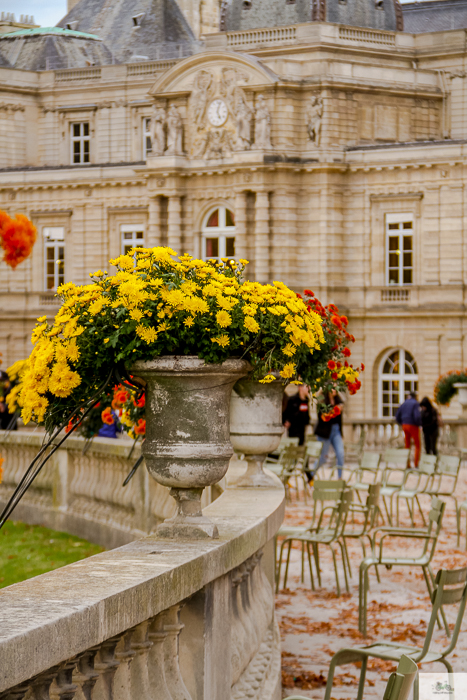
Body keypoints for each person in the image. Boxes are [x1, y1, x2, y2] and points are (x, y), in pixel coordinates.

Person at [313, 390, 345, 479]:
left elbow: (344, 400)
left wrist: (341, 433)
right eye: (333, 387)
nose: (335, 389)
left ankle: (339, 477)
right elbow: (323, 417)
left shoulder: (338, 400)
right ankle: (311, 475)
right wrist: (335, 410)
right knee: (323, 458)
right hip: (324, 432)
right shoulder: (322, 400)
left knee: (340, 454)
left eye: (336, 387)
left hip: (336, 430)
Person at [395, 391, 421, 467]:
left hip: (404, 425)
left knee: (407, 445)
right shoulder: (415, 403)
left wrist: (402, 422)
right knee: (417, 444)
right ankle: (416, 463)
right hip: (413, 425)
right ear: (415, 396)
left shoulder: (403, 403)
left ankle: (407, 464)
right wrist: (419, 424)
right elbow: (417, 416)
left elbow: (397, 416)